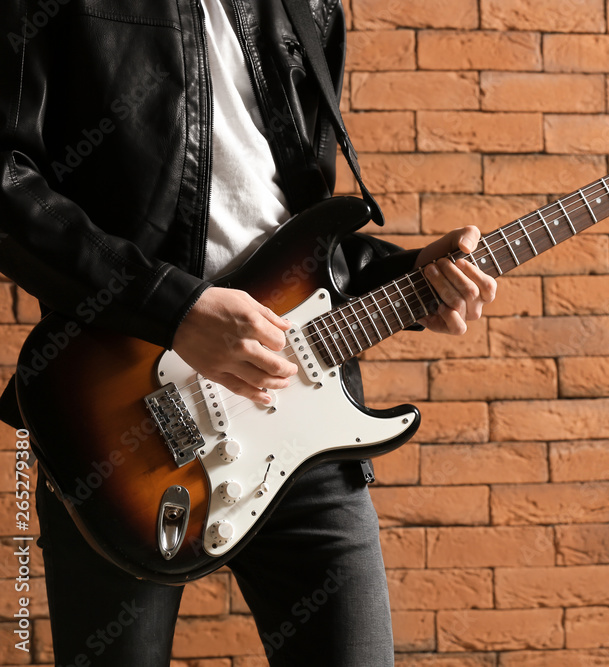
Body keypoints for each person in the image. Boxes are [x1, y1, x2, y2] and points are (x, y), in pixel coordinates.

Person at [0, 0, 495, 664]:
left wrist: (409, 277)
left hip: (303, 426)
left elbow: (302, 243)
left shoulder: (309, 9)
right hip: (120, 429)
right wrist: (175, 309)